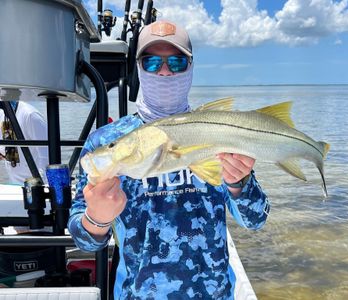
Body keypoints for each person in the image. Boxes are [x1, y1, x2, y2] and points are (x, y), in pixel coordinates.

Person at [68, 20, 270, 299]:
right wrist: (97, 220)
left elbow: (256, 219)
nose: (164, 71)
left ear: (191, 67)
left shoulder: (216, 129)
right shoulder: (106, 143)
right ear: (138, 68)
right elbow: (83, 240)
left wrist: (239, 184)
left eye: (176, 62)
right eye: (152, 62)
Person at [0, 101, 48, 184]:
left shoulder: (31, 115)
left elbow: (46, 154)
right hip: (13, 182)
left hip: (33, 185)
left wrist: (39, 185)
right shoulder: (2, 114)